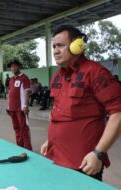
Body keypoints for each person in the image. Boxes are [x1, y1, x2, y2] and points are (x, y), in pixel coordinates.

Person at [40, 25, 121, 181]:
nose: (55, 51)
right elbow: (60, 113)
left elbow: (118, 112)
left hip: (84, 162)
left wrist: (99, 153)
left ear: (77, 46)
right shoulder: (57, 76)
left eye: (61, 45)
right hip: (56, 156)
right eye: (54, 46)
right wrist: (51, 140)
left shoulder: (95, 72)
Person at [6, 60, 32, 151]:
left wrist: (26, 106)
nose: (13, 68)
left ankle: (28, 148)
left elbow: (27, 92)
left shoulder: (24, 78)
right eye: (12, 67)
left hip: (20, 109)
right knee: (16, 128)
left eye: (15, 66)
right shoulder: (11, 79)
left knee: (24, 129)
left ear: (19, 67)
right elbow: (9, 93)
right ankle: (20, 147)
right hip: (12, 108)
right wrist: (8, 106)